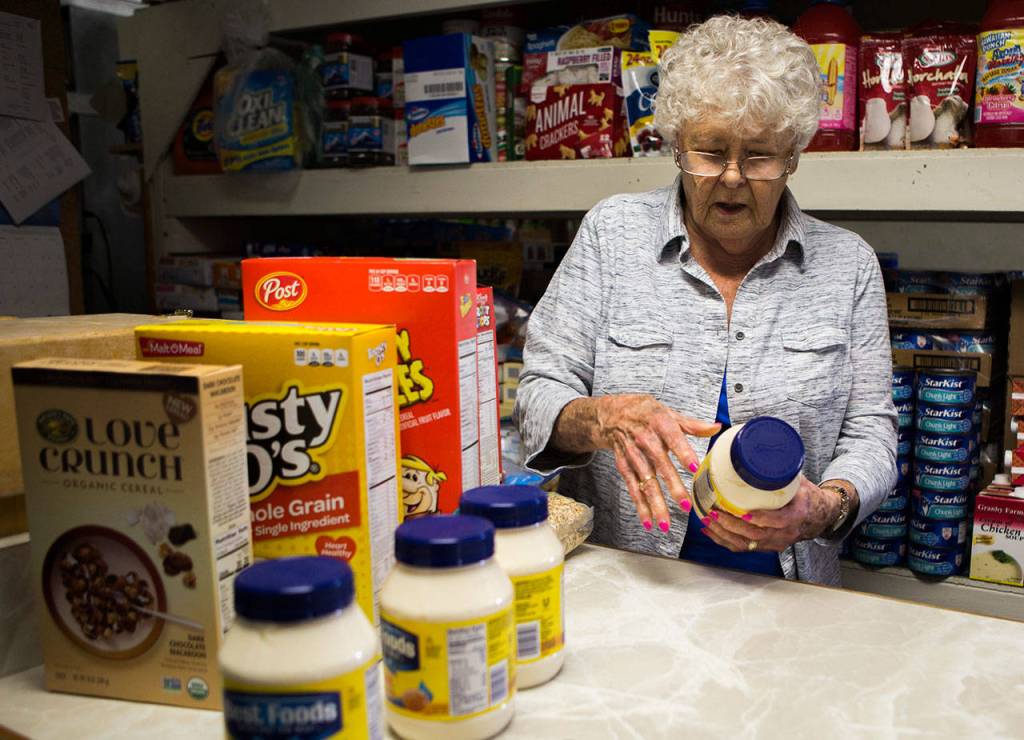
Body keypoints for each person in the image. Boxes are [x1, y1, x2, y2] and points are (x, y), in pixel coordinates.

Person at [514, 15, 897, 585]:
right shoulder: (611, 234)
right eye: (711, 152)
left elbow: (872, 435)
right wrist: (601, 418)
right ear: (675, 146)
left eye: (760, 156)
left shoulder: (849, 264)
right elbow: (537, 396)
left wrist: (826, 507)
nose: (734, 177)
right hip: (626, 584)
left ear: (793, 155)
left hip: (787, 597)